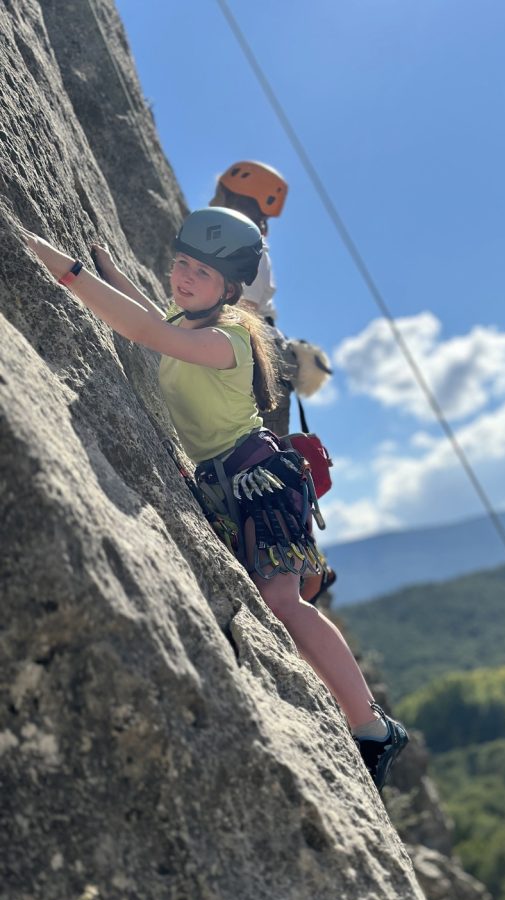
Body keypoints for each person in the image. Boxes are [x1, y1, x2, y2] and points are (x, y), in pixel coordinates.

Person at [21, 207, 408, 792]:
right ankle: (355, 715)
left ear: (229, 289)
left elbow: (150, 335)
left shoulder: (228, 341)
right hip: (226, 481)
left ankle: (374, 728)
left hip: (260, 480)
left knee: (284, 604)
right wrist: (109, 270)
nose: (182, 277)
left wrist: (63, 267)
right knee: (277, 606)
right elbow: (159, 323)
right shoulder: (192, 324)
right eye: (179, 264)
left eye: (199, 273)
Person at [211, 160, 336, 605]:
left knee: (262, 465)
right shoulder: (257, 243)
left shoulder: (240, 239)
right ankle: (303, 568)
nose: (212, 200)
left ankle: (295, 573)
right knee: (272, 463)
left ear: (231, 192)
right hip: (268, 350)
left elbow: (233, 303)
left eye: (218, 191)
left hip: (255, 350)